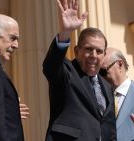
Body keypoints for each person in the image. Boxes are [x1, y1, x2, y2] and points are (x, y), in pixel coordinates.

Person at [42, 0, 116, 140]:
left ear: (104, 55)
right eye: (88, 49)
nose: (94, 55)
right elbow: (51, 66)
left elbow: (109, 128)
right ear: (76, 51)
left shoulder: (107, 86)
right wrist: (65, 33)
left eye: (99, 51)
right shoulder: (67, 72)